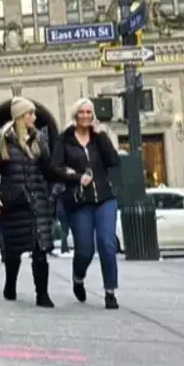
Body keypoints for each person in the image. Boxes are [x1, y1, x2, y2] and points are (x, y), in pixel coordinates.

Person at [0, 97, 58, 307]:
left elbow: (48, 169)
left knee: (40, 249)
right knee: (13, 250)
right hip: (14, 202)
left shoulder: (38, 138)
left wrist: (55, 188)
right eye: (30, 114)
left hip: (37, 200)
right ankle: (10, 284)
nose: (34, 117)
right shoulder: (1, 139)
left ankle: (42, 294)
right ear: (20, 116)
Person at [49, 98, 121, 309]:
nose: (86, 116)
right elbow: (55, 168)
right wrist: (76, 177)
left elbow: (113, 161)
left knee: (107, 244)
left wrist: (102, 136)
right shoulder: (64, 140)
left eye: (89, 112)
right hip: (80, 201)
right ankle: (78, 277)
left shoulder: (99, 138)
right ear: (75, 114)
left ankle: (110, 292)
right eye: (82, 112)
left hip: (105, 199)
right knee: (85, 250)